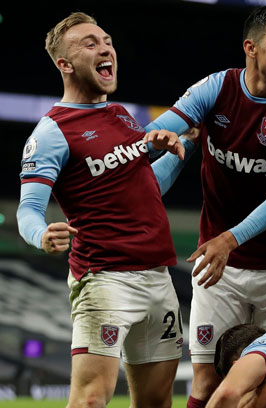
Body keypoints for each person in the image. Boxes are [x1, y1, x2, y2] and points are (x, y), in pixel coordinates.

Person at [145, 5, 266, 407]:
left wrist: (229, 239)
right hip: (218, 269)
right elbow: (157, 131)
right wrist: (131, 149)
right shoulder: (216, 88)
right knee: (206, 384)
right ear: (251, 47)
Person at [16, 12, 195, 408]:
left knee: (155, 402)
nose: (105, 48)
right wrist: (41, 234)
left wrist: (183, 148)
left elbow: (147, 188)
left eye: (107, 40)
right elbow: (28, 209)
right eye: (90, 43)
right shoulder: (51, 132)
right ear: (65, 64)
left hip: (159, 278)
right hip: (105, 279)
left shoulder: (119, 115)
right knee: (91, 401)